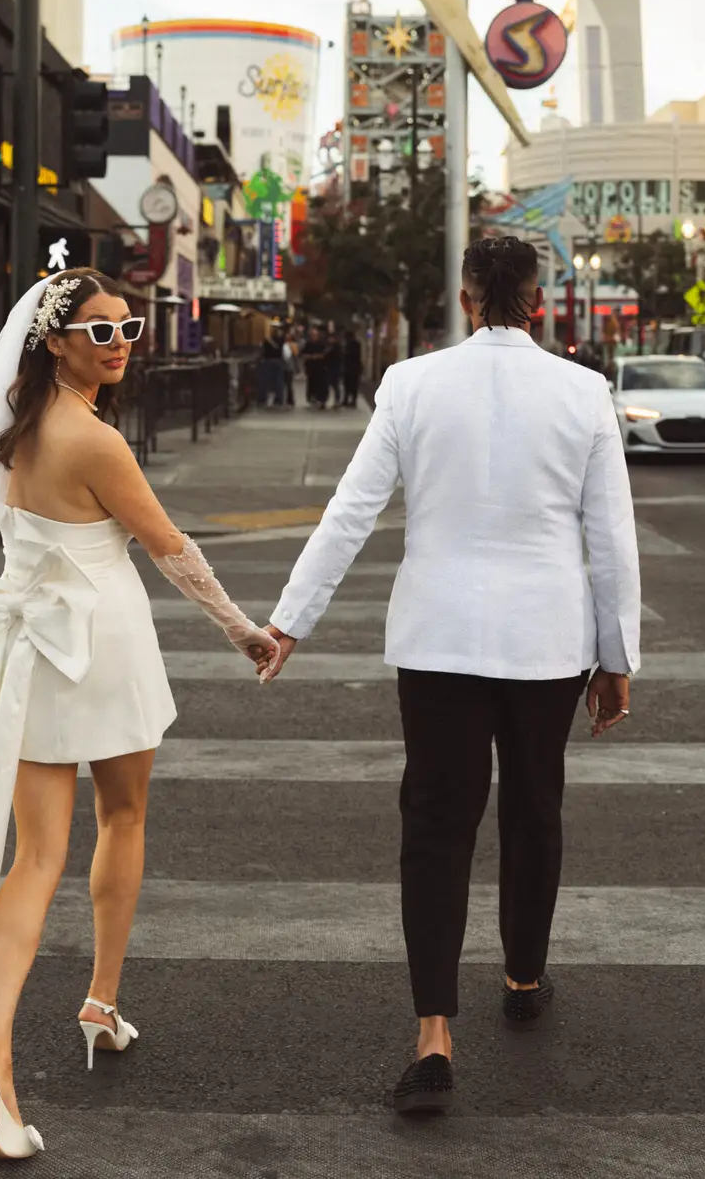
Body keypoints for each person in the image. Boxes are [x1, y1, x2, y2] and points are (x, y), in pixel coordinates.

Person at [0, 269, 278, 1162]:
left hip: (30, 652)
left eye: (128, 327)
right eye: (101, 332)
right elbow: (172, 551)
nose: (121, 344)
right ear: (56, 343)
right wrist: (244, 633)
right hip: (101, 646)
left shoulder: (12, 429)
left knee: (33, 858)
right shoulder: (96, 441)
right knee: (124, 814)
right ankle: (97, 1001)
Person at [257, 236, 639, 1115]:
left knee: (435, 825)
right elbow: (610, 540)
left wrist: (291, 620)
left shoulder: (411, 384)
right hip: (547, 641)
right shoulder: (583, 393)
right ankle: (522, 977)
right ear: (536, 302)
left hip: (436, 641)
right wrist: (616, 660)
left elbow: (350, 512)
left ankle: (433, 1035)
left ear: (465, 299)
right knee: (534, 808)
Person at [342, 331, 363, 408]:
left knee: (353, 385)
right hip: (349, 367)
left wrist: (345, 354)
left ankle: (353, 400)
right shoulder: (347, 344)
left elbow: (353, 355)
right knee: (347, 384)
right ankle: (346, 399)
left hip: (353, 368)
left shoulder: (355, 344)